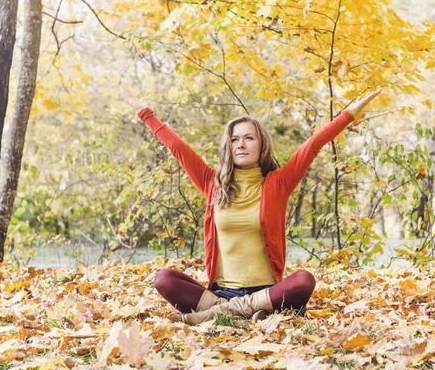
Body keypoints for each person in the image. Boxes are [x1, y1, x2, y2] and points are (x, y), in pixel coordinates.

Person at [121, 86, 382, 325]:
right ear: (229, 146)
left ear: (261, 145)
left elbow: (312, 146)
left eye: (249, 138)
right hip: (220, 292)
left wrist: (349, 114)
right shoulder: (213, 183)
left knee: (304, 280)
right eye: (235, 140)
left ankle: (219, 314)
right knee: (164, 279)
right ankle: (241, 311)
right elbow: (178, 148)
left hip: (267, 291)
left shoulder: (278, 183)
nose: (241, 145)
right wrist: (145, 113)